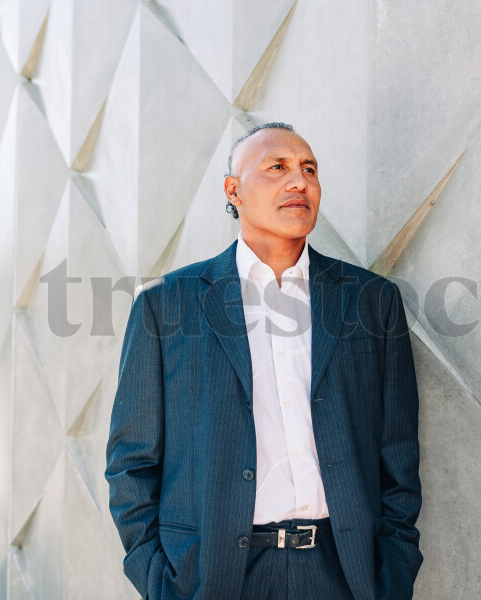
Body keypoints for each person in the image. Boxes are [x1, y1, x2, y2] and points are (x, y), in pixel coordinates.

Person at [105, 122, 422, 600]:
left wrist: (392, 574)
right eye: (278, 167)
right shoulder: (166, 307)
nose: (299, 181)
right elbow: (131, 462)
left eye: (309, 169)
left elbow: (398, 451)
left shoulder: (371, 300)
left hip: (345, 573)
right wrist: (159, 580)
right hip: (213, 577)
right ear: (234, 190)